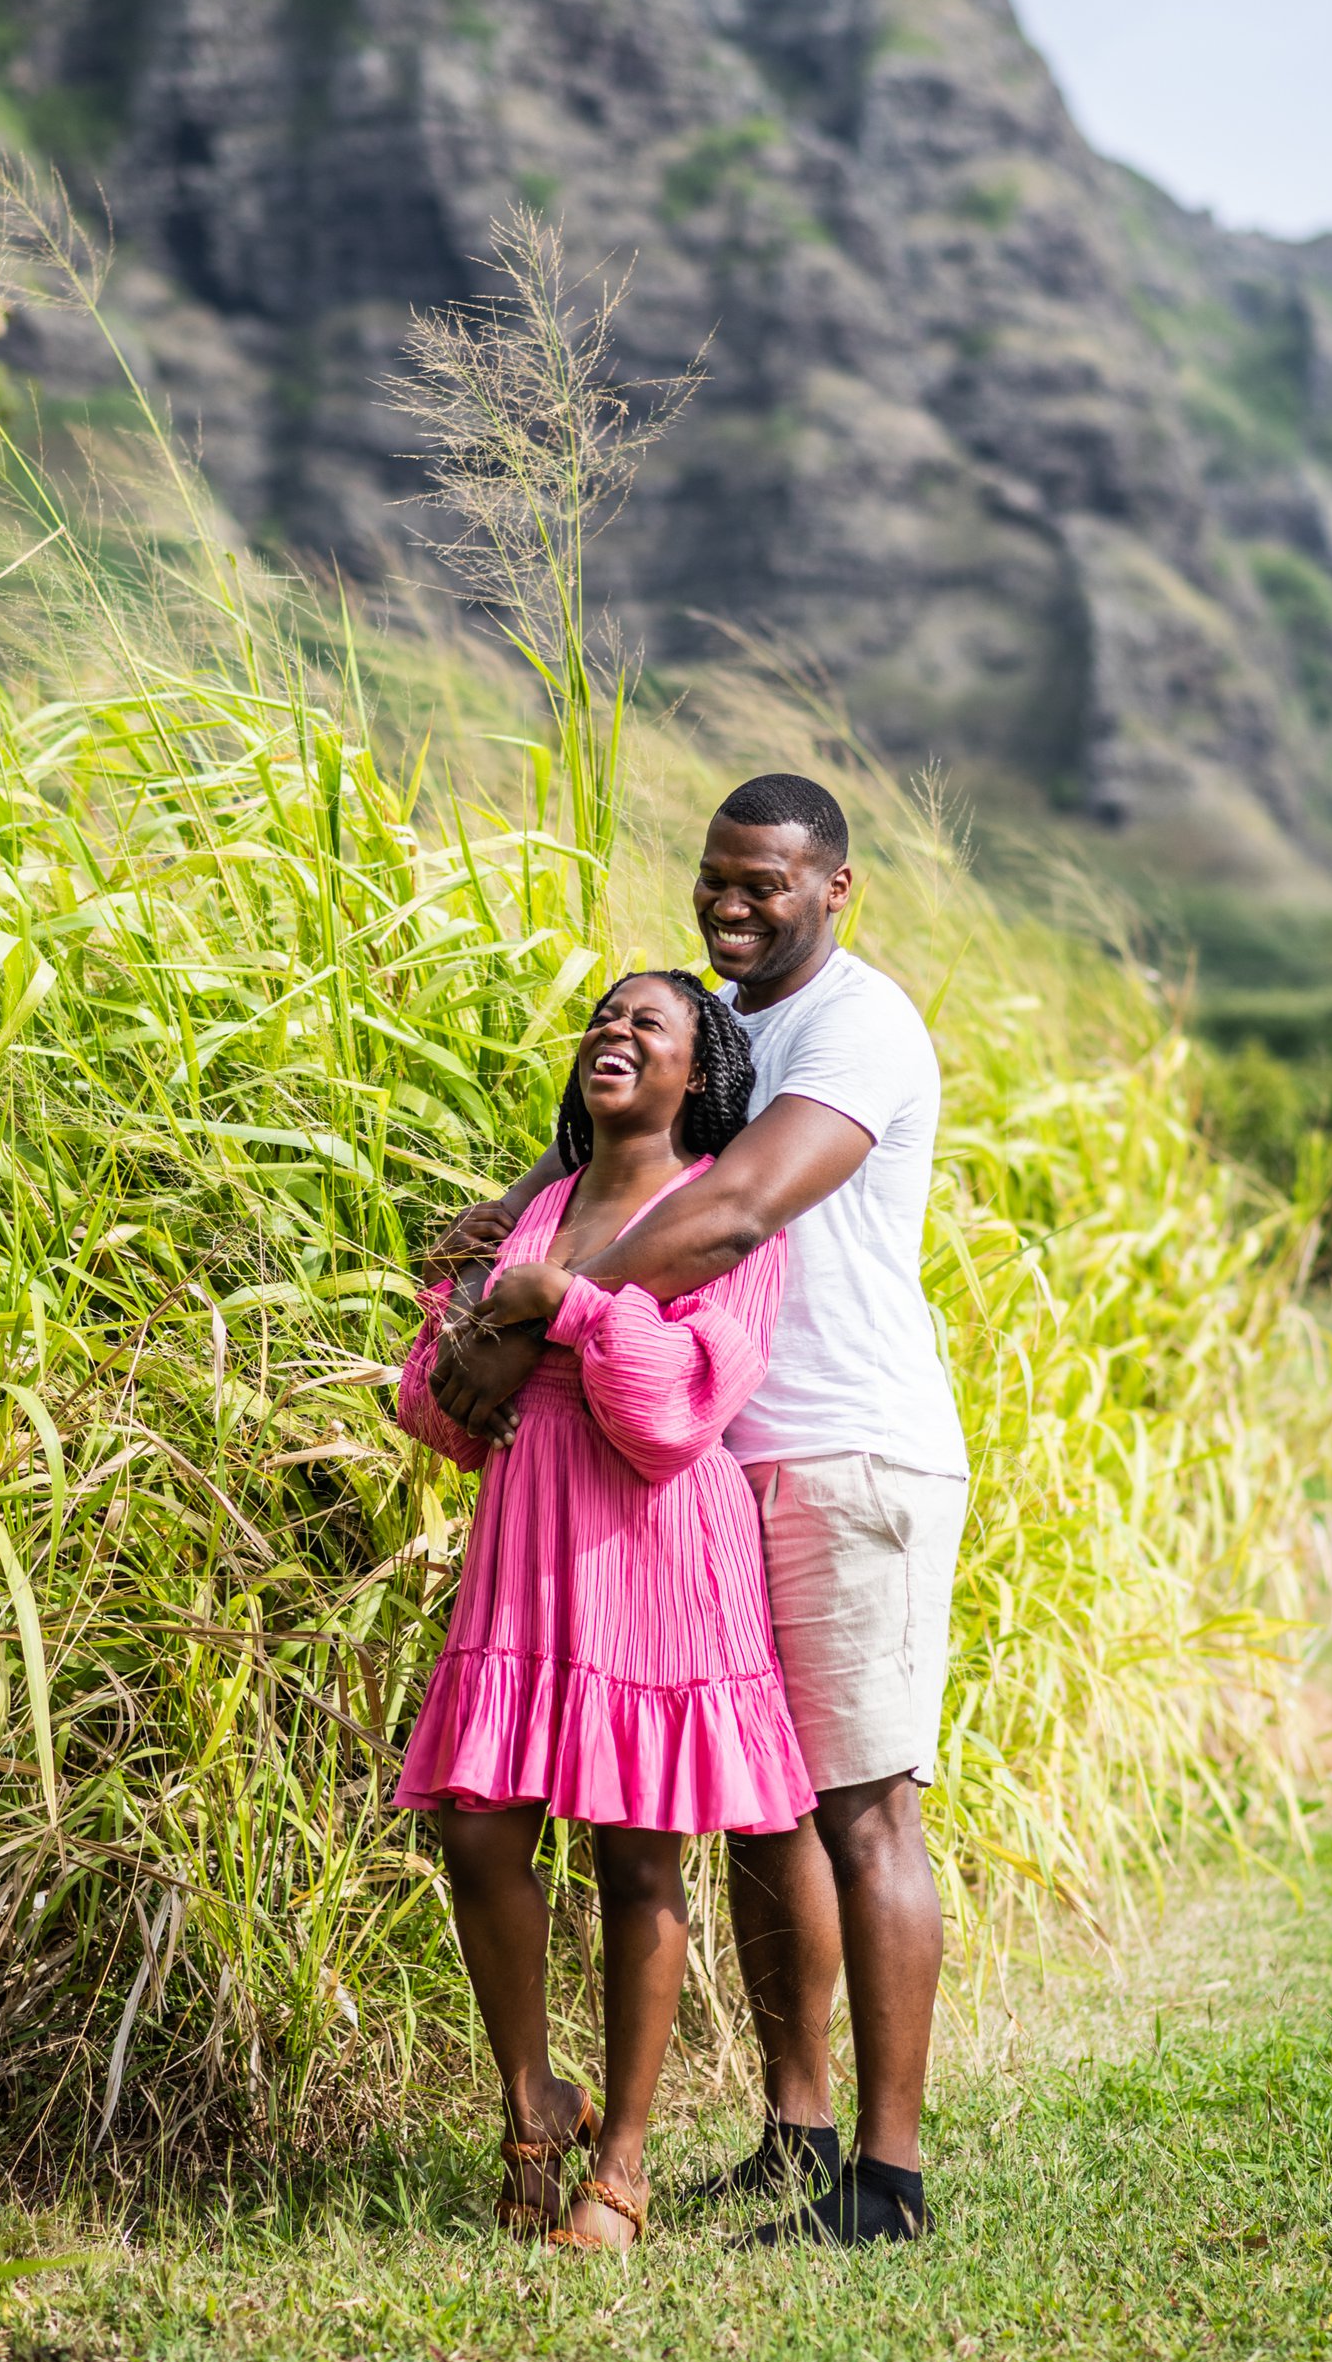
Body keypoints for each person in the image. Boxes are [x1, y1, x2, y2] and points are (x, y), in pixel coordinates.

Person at [431, 773, 969, 2247]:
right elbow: (595, 1168)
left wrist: (533, 1317)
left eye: (764, 884)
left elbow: (729, 1215)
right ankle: (797, 2137)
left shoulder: (860, 1024)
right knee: (756, 1810)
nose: (731, 904)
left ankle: (887, 2179)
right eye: (715, 878)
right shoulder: (715, 1026)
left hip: (849, 1450)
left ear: (836, 889)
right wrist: (510, 1225)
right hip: (713, 1475)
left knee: (865, 1808)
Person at [393, 968, 815, 2255]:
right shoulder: (540, 1206)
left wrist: (562, 1307)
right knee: (476, 1829)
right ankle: (534, 2103)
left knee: (639, 1857)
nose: (613, 1033)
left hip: (656, 1545)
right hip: (526, 1547)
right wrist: (477, 1318)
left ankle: (620, 2166)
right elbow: (438, 1400)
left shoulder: (727, 1213)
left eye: (649, 1023)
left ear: (702, 1072)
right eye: (603, 1016)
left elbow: (677, 1413)